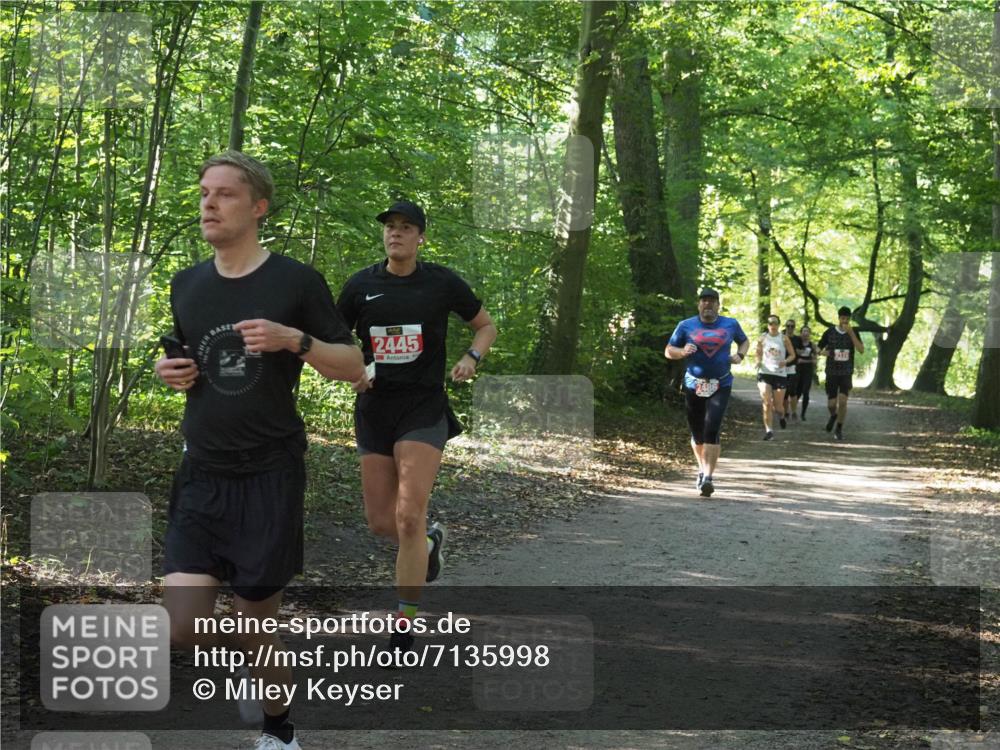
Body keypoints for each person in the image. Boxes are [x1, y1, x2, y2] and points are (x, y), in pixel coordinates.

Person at [155, 151, 365, 750]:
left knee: (257, 625)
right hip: (202, 473)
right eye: (203, 194)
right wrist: (165, 370)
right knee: (182, 625)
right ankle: (251, 664)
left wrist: (293, 339)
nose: (209, 205)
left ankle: (278, 729)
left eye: (224, 194)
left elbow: (354, 367)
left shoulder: (295, 282)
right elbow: (182, 357)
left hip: (269, 475)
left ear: (258, 207)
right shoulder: (187, 284)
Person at [337, 200, 497, 656]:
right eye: (390, 227)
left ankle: (404, 626)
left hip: (423, 409)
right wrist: (355, 367)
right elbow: (335, 337)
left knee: (408, 515)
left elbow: (485, 326)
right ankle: (429, 542)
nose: (396, 234)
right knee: (380, 521)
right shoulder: (361, 285)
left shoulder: (441, 282)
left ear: (421, 237)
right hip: (374, 410)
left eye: (406, 228)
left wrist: (472, 357)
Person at [665, 288, 749, 498]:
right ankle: (701, 470)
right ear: (699, 304)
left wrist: (740, 355)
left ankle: (708, 478)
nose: (708, 305)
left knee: (712, 428)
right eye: (704, 301)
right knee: (697, 432)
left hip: (721, 384)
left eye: (712, 301)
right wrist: (683, 352)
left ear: (718, 305)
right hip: (694, 384)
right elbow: (668, 350)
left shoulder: (730, 324)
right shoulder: (686, 325)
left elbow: (744, 341)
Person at [818, 305, 865, 441]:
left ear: (849, 319)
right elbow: (818, 347)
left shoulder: (854, 332)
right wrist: (822, 352)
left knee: (843, 402)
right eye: (842, 318)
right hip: (832, 371)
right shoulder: (830, 332)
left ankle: (839, 428)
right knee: (831, 405)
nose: (844, 321)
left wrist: (851, 333)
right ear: (838, 318)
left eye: (847, 319)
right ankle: (833, 416)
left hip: (846, 372)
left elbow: (861, 349)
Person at [755, 315, 795, 440]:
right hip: (765, 373)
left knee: (778, 406)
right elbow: (758, 354)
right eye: (770, 323)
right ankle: (769, 431)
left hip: (779, 374)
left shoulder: (784, 339)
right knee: (766, 403)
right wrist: (757, 362)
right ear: (768, 325)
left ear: (778, 325)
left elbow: (792, 355)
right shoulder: (762, 338)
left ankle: (782, 416)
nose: (773, 325)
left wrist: (786, 361)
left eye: (775, 323)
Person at [791, 325, 816, 420]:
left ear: (809, 334)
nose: (805, 333)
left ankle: (803, 414)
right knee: (796, 392)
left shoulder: (812, 345)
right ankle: (793, 411)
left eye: (807, 331)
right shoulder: (797, 344)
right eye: (803, 331)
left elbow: (814, 361)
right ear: (801, 333)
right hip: (797, 370)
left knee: (806, 392)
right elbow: (795, 354)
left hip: (808, 371)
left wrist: (804, 361)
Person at [782, 319, 803, 420]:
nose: (790, 328)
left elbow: (801, 351)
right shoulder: (780, 337)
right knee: (784, 391)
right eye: (788, 326)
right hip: (781, 367)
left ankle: (794, 411)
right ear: (785, 326)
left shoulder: (797, 339)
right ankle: (786, 412)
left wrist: (799, 353)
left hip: (793, 367)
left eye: (792, 326)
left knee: (792, 390)